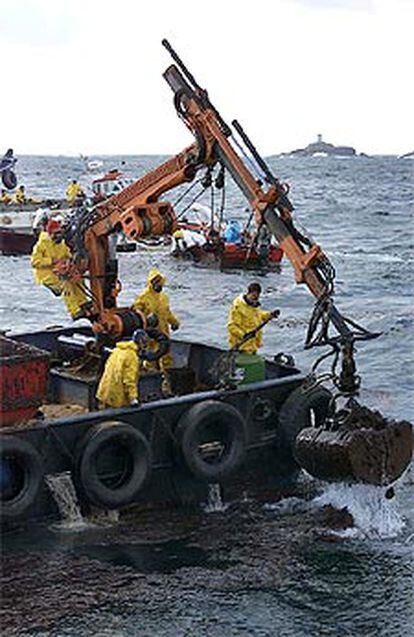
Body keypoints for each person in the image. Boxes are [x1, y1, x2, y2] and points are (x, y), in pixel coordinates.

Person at [31, 219, 90, 320]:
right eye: (56, 233)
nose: (59, 235)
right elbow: (35, 262)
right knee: (66, 284)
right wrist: (51, 261)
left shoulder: (61, 244)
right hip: (46, 275)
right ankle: (74, 311)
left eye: (60, 233)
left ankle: (83, 303)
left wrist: (70, 262)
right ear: (50, 233)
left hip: (61, 271)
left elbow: (67, 255)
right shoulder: (41, 245)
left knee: (78, 279)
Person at [132, 268, 179, 371]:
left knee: (166, 355)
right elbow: (136, 312)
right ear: (150, 282)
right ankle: (150, 376)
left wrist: (174, 322)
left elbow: (167, 312)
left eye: (159, 281)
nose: (158, 284)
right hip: (150, 333)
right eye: (155, 281)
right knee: (151, 356)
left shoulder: (164, 297)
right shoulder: (143, 297)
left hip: (163, 331)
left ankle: (166, 376)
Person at [96, 329, 149, 409]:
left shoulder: (117, 350)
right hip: (116, 395)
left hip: (104, 391)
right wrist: (133, 398)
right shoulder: (132, 356)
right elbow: (129, 379)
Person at [227, 282, 279, 354]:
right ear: (249, 293)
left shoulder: (253, 306)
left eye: (257, 297)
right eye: (253, 296)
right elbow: (231, 326)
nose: (255, 299)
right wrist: (243, 335)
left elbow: (258, 315)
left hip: (252, 345)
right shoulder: (238, 307)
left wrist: (269, 315)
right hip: (241, 346)